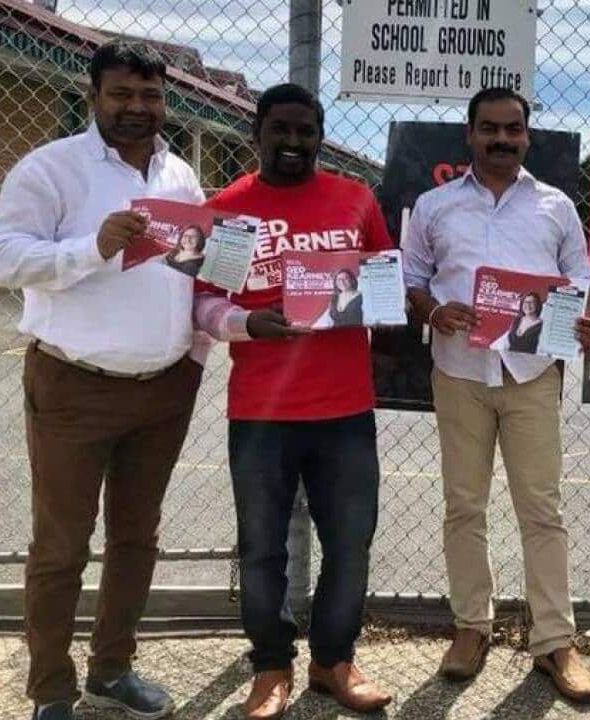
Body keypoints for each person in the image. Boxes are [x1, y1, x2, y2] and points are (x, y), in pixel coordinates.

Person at [0, 40, 204, 720]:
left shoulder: (181, 176)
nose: (138, 108)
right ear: (93, 96)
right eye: (123, 95)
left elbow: (193, 271)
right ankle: (51, 688)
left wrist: (202, 339)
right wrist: (93, 246)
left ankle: (113, 669)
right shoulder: (51, 169)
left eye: (150, 96)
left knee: (137, 539)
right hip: (74, 386)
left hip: (164, 387)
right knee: (61, 546)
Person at [193, 83, 393, 718]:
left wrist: (378, 301)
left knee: (351, 542)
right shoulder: (227, 210)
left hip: (344, 409)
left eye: (305, 131)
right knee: (261, 548)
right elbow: (201, 305)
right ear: (258, 132)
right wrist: (250, 323)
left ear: (319, 134)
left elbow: (384, 278)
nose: (293, 142)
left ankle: (333, 661)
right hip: (260, 411)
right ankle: (270, 666)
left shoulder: (354, 198)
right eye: (280, 129)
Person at [400, 87, 590, 703]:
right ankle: (471, 627)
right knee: (464, 506)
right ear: (469, 134)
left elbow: (583, 280)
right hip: (460, 373)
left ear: (526, 135)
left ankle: (554, 643)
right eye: (489, 129)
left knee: (542, 511)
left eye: (512, 129)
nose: (500, 140)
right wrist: (433, 310)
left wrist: (586, 315)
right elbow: (410, 278)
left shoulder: (555, 205)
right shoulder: (435, 206)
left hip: (530, 374)